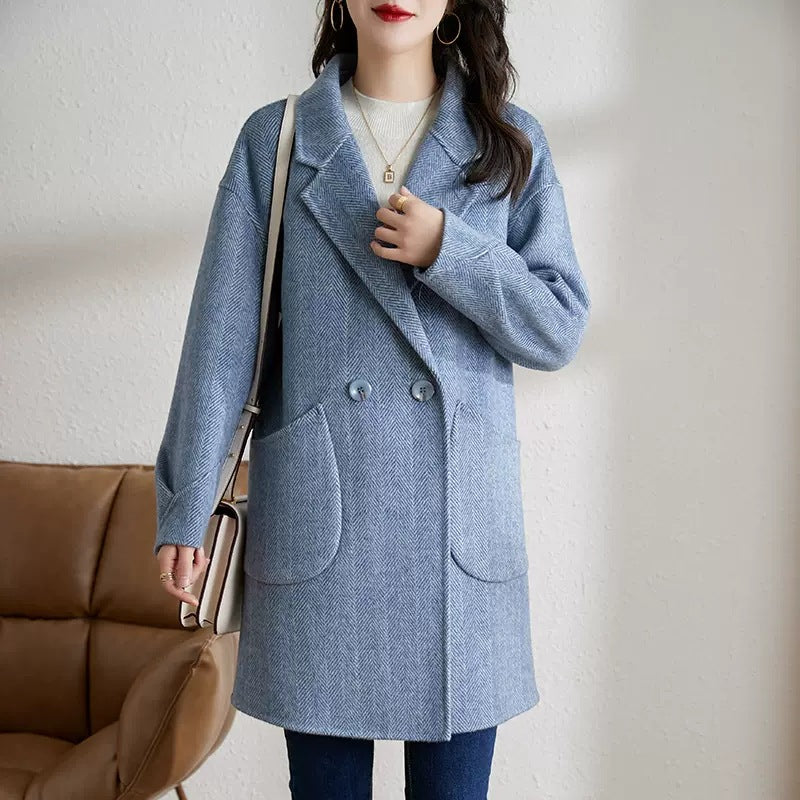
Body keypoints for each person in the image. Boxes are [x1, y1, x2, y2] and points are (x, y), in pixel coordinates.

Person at [153, 0, 591, 797]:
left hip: (458, 528)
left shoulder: (507, 140)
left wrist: (451, 250)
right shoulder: (279, 138)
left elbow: (558, 326)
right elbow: (221, 343)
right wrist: (186, 505)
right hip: (325, 517)